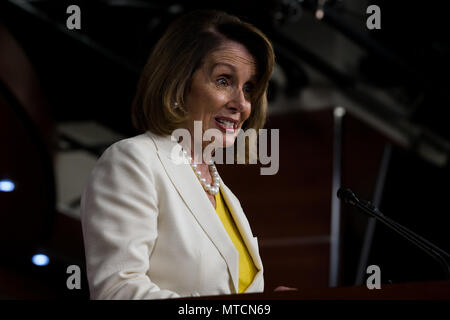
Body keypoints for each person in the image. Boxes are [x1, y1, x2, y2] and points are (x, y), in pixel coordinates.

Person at [81, 9, 277, 299]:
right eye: (224, 80)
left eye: (248, 88)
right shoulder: (133, 161)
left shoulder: (226, 196)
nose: (242, 103)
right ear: (179, 81)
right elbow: (117, 291)